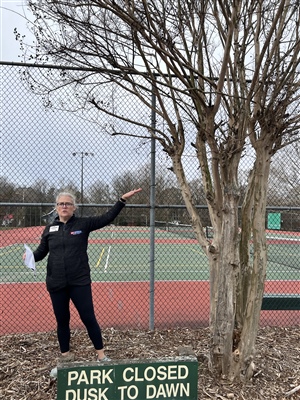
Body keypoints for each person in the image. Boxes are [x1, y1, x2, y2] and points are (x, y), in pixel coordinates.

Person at [23, 188, 142, 371]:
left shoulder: (83, 224)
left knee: (88, 318)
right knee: (62, 321)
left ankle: (101, 355)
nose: (64, 206)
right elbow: (41, 252)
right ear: (56, 207)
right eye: (61, 204)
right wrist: (30, 256)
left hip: (79, 282)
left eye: (68, 204)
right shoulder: (49, 229)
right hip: (56, 283)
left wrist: (121, 201)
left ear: (74, 208)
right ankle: (65, 357)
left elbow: (107, 218)